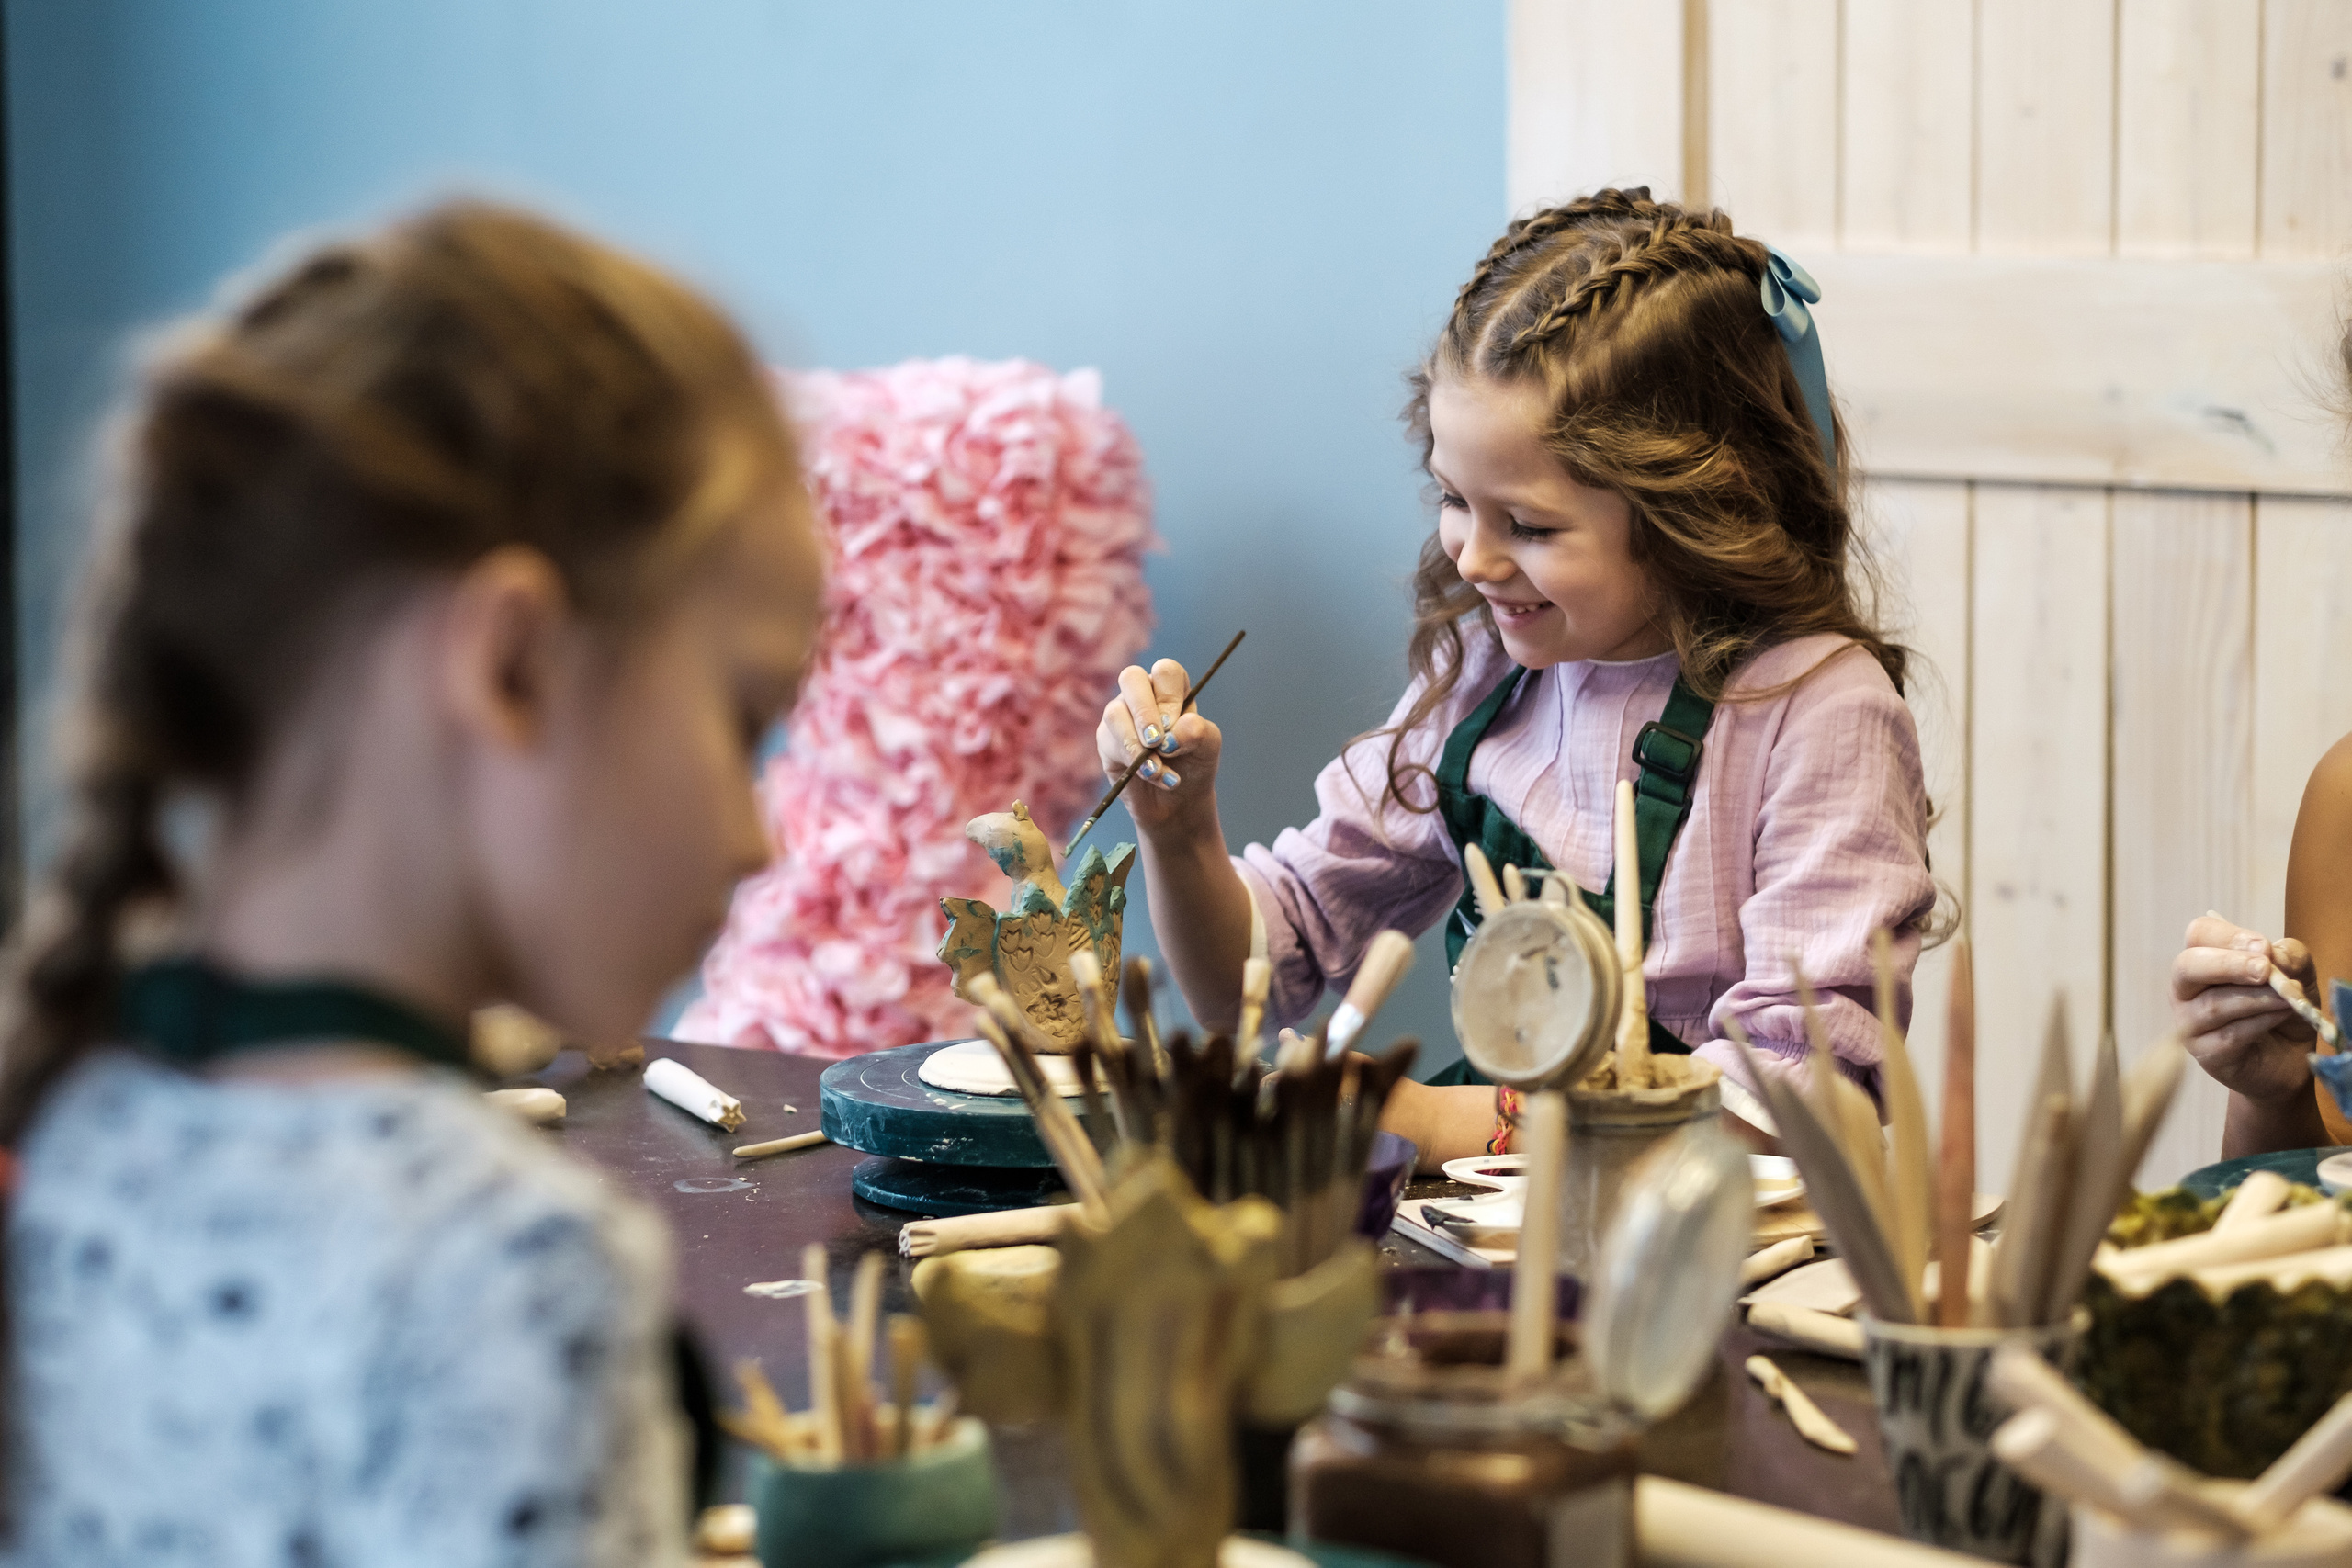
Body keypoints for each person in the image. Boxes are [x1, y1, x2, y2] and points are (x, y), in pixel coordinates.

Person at [0, 202, 823, 1564]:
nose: (759, 834)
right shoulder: (509, 1270)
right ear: (512, 663)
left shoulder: (73, 1132)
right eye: (743, 721)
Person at [1094, 187, 1937, 1168]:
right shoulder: (1488, 675)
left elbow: (1806, 1092)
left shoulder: (1813, 712)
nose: (1471, 559)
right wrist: (1179, 825)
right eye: (1454, 499)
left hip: (1698, 1257)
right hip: (1499, 1219)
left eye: (1529, 527)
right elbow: (1252, 981)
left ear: (1696, 509)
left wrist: (1464, 1123)